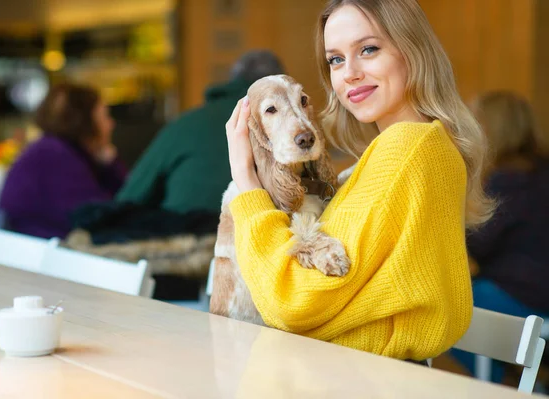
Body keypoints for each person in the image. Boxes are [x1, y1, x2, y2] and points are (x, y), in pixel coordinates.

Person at [224, 0, 494, 363]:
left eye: (368, 49)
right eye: (335, 59)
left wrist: (246, 182)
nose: (348, 73)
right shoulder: (413, 146)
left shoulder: (408, 149)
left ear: (412, 51)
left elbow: (289, 303)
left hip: (360, 378)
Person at [453, 91, 549, 381]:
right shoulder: (541, 170)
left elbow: (478, 244)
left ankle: (493, 383)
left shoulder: (508, 180)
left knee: (450, 305)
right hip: (540, 292)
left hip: (530, 297)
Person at [115, 50, 284, 214]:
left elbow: (130, 197)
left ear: (233, 79)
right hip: (257, 232)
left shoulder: (185, 124)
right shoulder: (289, 130)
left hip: (182, 232)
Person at [0, 83, 126, 239]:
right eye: (105, 116)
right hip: (34, 254)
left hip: (38, 249)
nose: (111, 124)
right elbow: (99, 217)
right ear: (84, 120)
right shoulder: (54, 154)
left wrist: (109, 162)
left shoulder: (59, 150)